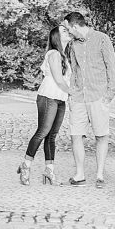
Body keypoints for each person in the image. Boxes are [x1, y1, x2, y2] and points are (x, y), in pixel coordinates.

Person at [61, 11, 115, 189]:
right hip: (78, 97)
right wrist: (71, 93)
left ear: (76, 26)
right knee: (75, 134)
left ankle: (100, 174)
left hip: (98, 95)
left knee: (101, 135)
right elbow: (74, 70)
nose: (68, 33)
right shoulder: (73, 45)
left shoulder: (102, 39)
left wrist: (110, 93)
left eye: (68, 29)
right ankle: (80, 174)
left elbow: (111, 66)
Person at [17, 25, 72, 186]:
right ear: (56, 37)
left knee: (52, 136)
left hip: (60, 98)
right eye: (64, 31)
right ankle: (26, 165)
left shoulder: (65, 55)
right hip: (49, 96)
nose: (68, 32)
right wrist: (73, 94)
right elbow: (58, 79)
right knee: (42, 132)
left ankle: (49, 170)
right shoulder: (54, 54)